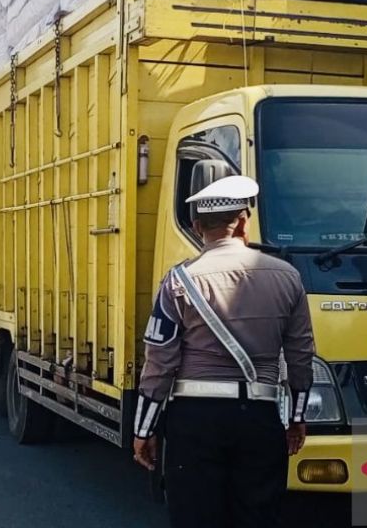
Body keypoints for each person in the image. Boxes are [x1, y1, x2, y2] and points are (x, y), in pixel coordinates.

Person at [132, 175, 316, 528]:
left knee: (196, 517)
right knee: (258, 515)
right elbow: (300, 357)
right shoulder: (288, 277)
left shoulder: (178, 281)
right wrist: (296, 418)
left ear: (198, 227)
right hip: (260, 419)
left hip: (195, 420)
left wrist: (144, 429)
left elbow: (159, 363)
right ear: (244, 222)